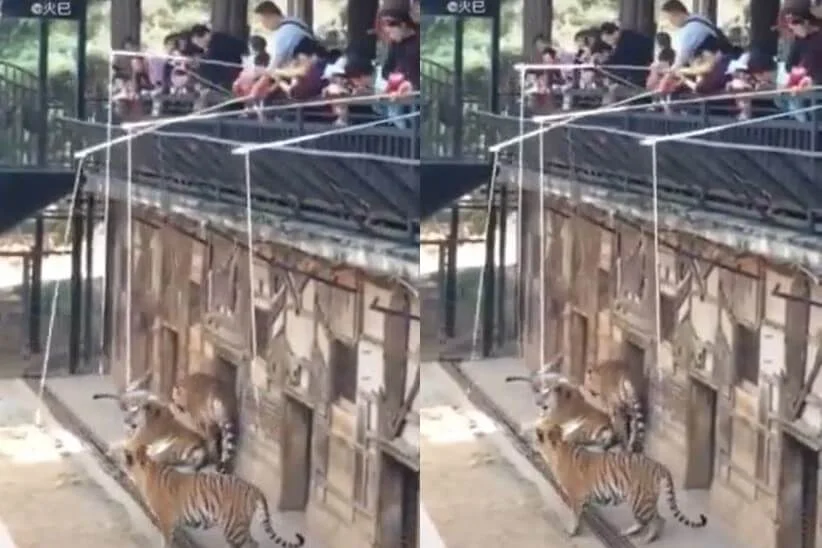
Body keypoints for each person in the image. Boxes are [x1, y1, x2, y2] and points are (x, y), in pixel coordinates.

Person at [658, 0, 741, 91]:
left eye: (669, 18)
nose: (670, 23)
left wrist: (671, 72)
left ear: (676, 14)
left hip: (718, 70)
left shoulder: (691, 29)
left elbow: (682, 57)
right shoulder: (701, 20)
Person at [253, 1, 318, 69]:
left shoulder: (284, 33)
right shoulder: (296, 21)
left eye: (263, 21)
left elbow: (276, 63)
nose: (264, 25)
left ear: (270, 16)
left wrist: (263, 72)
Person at [188, 24, 247, 91]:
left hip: (233, 71)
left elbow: (213, 59)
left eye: (199, 42)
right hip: (229, 71)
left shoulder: (219, 41)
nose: (199, 45)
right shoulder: (216, 42)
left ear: (206, 35)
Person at [599, 22, 654, 87]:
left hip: (638, 73)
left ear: (615, 33)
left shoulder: (628, 41)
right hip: (636, 70)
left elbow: (620, 58)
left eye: (608, 40)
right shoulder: (626, 37)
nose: (609, 43)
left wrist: (603, 64)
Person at [379, 7, 419, 93]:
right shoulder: (395, 44)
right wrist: (394, 79)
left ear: (403, 25)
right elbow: (386, 70)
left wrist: (412, 83)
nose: (390, 36)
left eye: (390, 32)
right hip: (398, 91)